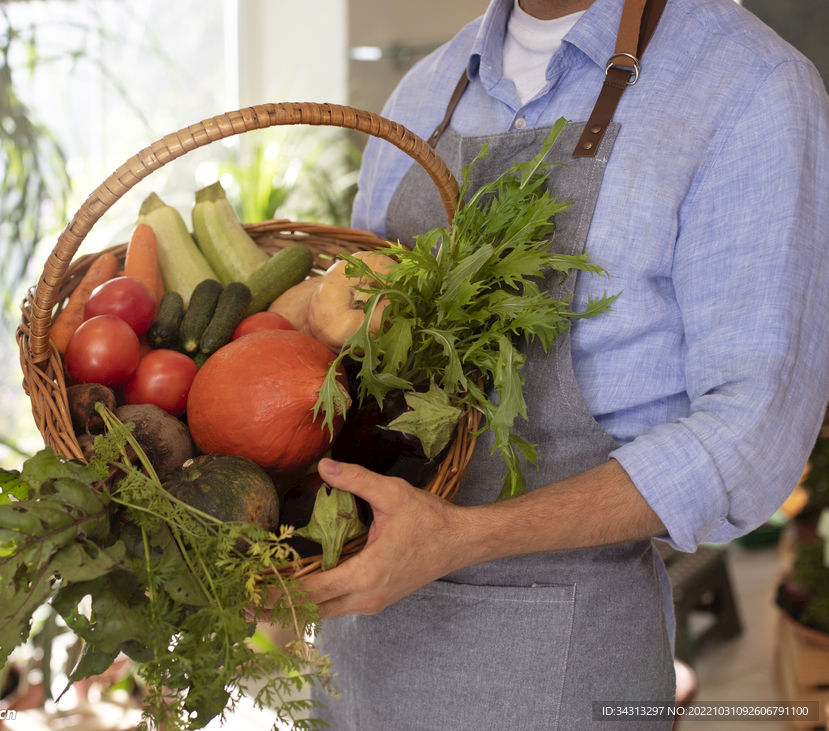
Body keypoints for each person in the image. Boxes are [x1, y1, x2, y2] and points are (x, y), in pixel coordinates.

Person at [300, 0, 829, 728]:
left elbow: (748, 436)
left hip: (562, 672)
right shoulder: (424, 92)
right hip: (351, 669)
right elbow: (344, 368)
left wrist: (464, 536)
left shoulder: (750, 87)